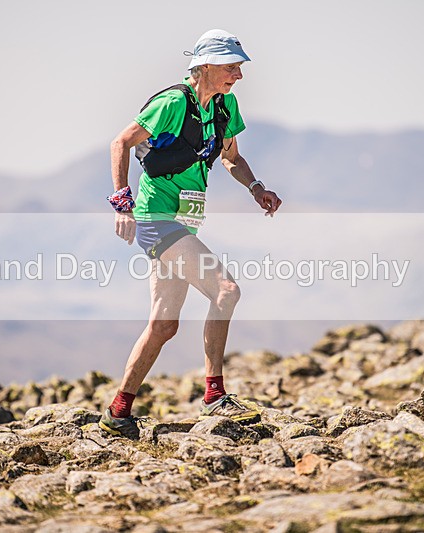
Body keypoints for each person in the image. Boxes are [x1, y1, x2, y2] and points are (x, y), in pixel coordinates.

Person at [101, 29, 282, 438]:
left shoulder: (223, 108)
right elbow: (121, 142)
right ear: (204, 67)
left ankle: (117, 412)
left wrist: (256, 188)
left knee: (164, 326)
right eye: (231, 67)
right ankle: (215, 396)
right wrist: (122, 202)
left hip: (185, 221)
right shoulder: (172, 103)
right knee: (226, 290)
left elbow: (231, 157)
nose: (238, 75)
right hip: (156, 218)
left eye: (239, 67)